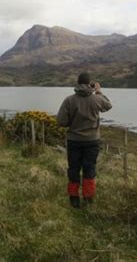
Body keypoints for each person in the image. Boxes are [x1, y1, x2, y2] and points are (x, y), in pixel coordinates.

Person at [56, 72, 112, 208]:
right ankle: (88, 199)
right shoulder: (97, 99)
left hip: (74, 141)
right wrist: (99, 92)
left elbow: (61, 121)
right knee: (89, 168)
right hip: (92, 141)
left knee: (74, 168)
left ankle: (74, 199)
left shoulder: (69, 100)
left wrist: (72, 122)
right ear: (89, 84)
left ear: (77, 83)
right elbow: (108, 106)